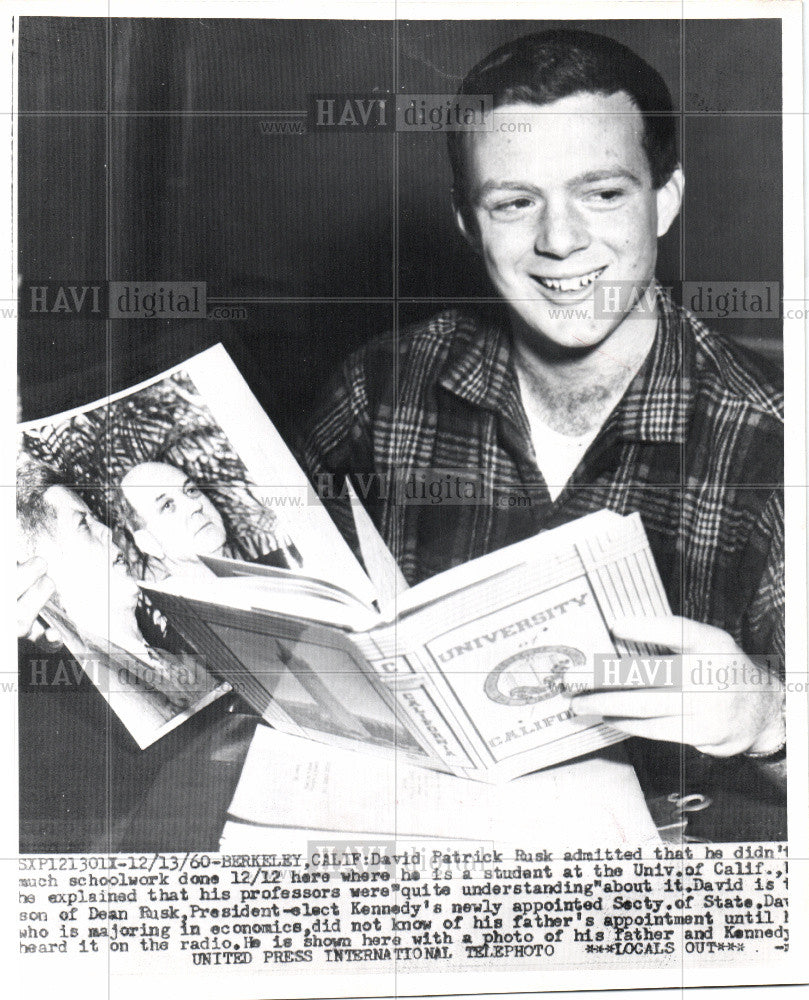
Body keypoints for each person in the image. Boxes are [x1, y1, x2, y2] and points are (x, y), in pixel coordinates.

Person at [302, 29, 786, 774]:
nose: (559, 240)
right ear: (468, 224)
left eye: (600, 193)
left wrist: (765, 717)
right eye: (514, 202)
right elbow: (282, 631)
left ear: (664, 200)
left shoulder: (776, 444)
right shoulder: (377, 388)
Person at [17, 459, 203, 712]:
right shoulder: (89, 699)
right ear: (35, 567)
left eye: (95, 519)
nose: (106, 530)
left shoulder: (176, 655)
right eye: (83, 524)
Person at [119, 460, 301, 579]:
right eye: (167, 505)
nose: (194, 505)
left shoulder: (290, 568)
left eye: (190, 491)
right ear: (148, 543)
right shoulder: (180, 635)